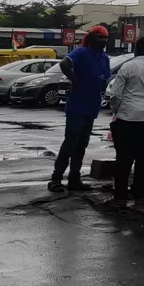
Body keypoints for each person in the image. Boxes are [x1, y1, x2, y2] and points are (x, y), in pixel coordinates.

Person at [105, 35, 144, 206]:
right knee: (142, 159)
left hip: (126, 117)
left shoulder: (127, 67)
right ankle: (139, 194)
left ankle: (120, 197)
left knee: (124, 159)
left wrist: (116, 111)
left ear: (136, 49)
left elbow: (115, 95)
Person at [49, 25, 112, 193]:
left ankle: (74, 179)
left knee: (82, 144)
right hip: (77, 105)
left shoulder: (104, 58)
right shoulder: (82, 52)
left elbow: (105, 78)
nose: (103, 41)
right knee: (70, 142)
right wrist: (74, 80)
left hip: (92, 106)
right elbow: (64, 63)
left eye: (105, 38)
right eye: (100, 37)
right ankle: (56, 178)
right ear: (91, 38)